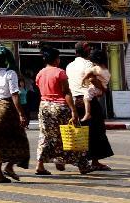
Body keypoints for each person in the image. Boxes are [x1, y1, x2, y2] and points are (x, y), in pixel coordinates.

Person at [34, 46, 90, 175]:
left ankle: (40, 165)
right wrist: (73, 110)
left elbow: (40, 89)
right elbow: (66, 93)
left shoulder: (40, 73)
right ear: (56, 59)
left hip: (44, 107)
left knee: (46, 135)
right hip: (60, 107)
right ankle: (82, 165)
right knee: (72, 133)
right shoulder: (60, 73)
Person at [0, 46, 30, 183]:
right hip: (7, 109)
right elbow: (14, 95)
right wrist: (21, 115)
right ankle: (10, 166)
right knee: (19, 139)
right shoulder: (11, 73)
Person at [66, 43, 114, 171]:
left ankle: (79, 159)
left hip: (76, 100)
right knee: (96, 131)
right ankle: (94, 161)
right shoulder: (89, 65)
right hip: (89, 100)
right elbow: (92, 79)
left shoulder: (69, 66)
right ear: (87, 52)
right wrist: (103, 88)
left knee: (79, 131)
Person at [80, 49, 111, 123]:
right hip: (101, 90)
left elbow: (89, 75)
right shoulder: (106, 71)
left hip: (95, 88)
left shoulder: (96, 69)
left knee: (86, 99)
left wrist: (83, 79)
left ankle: (87, 113)